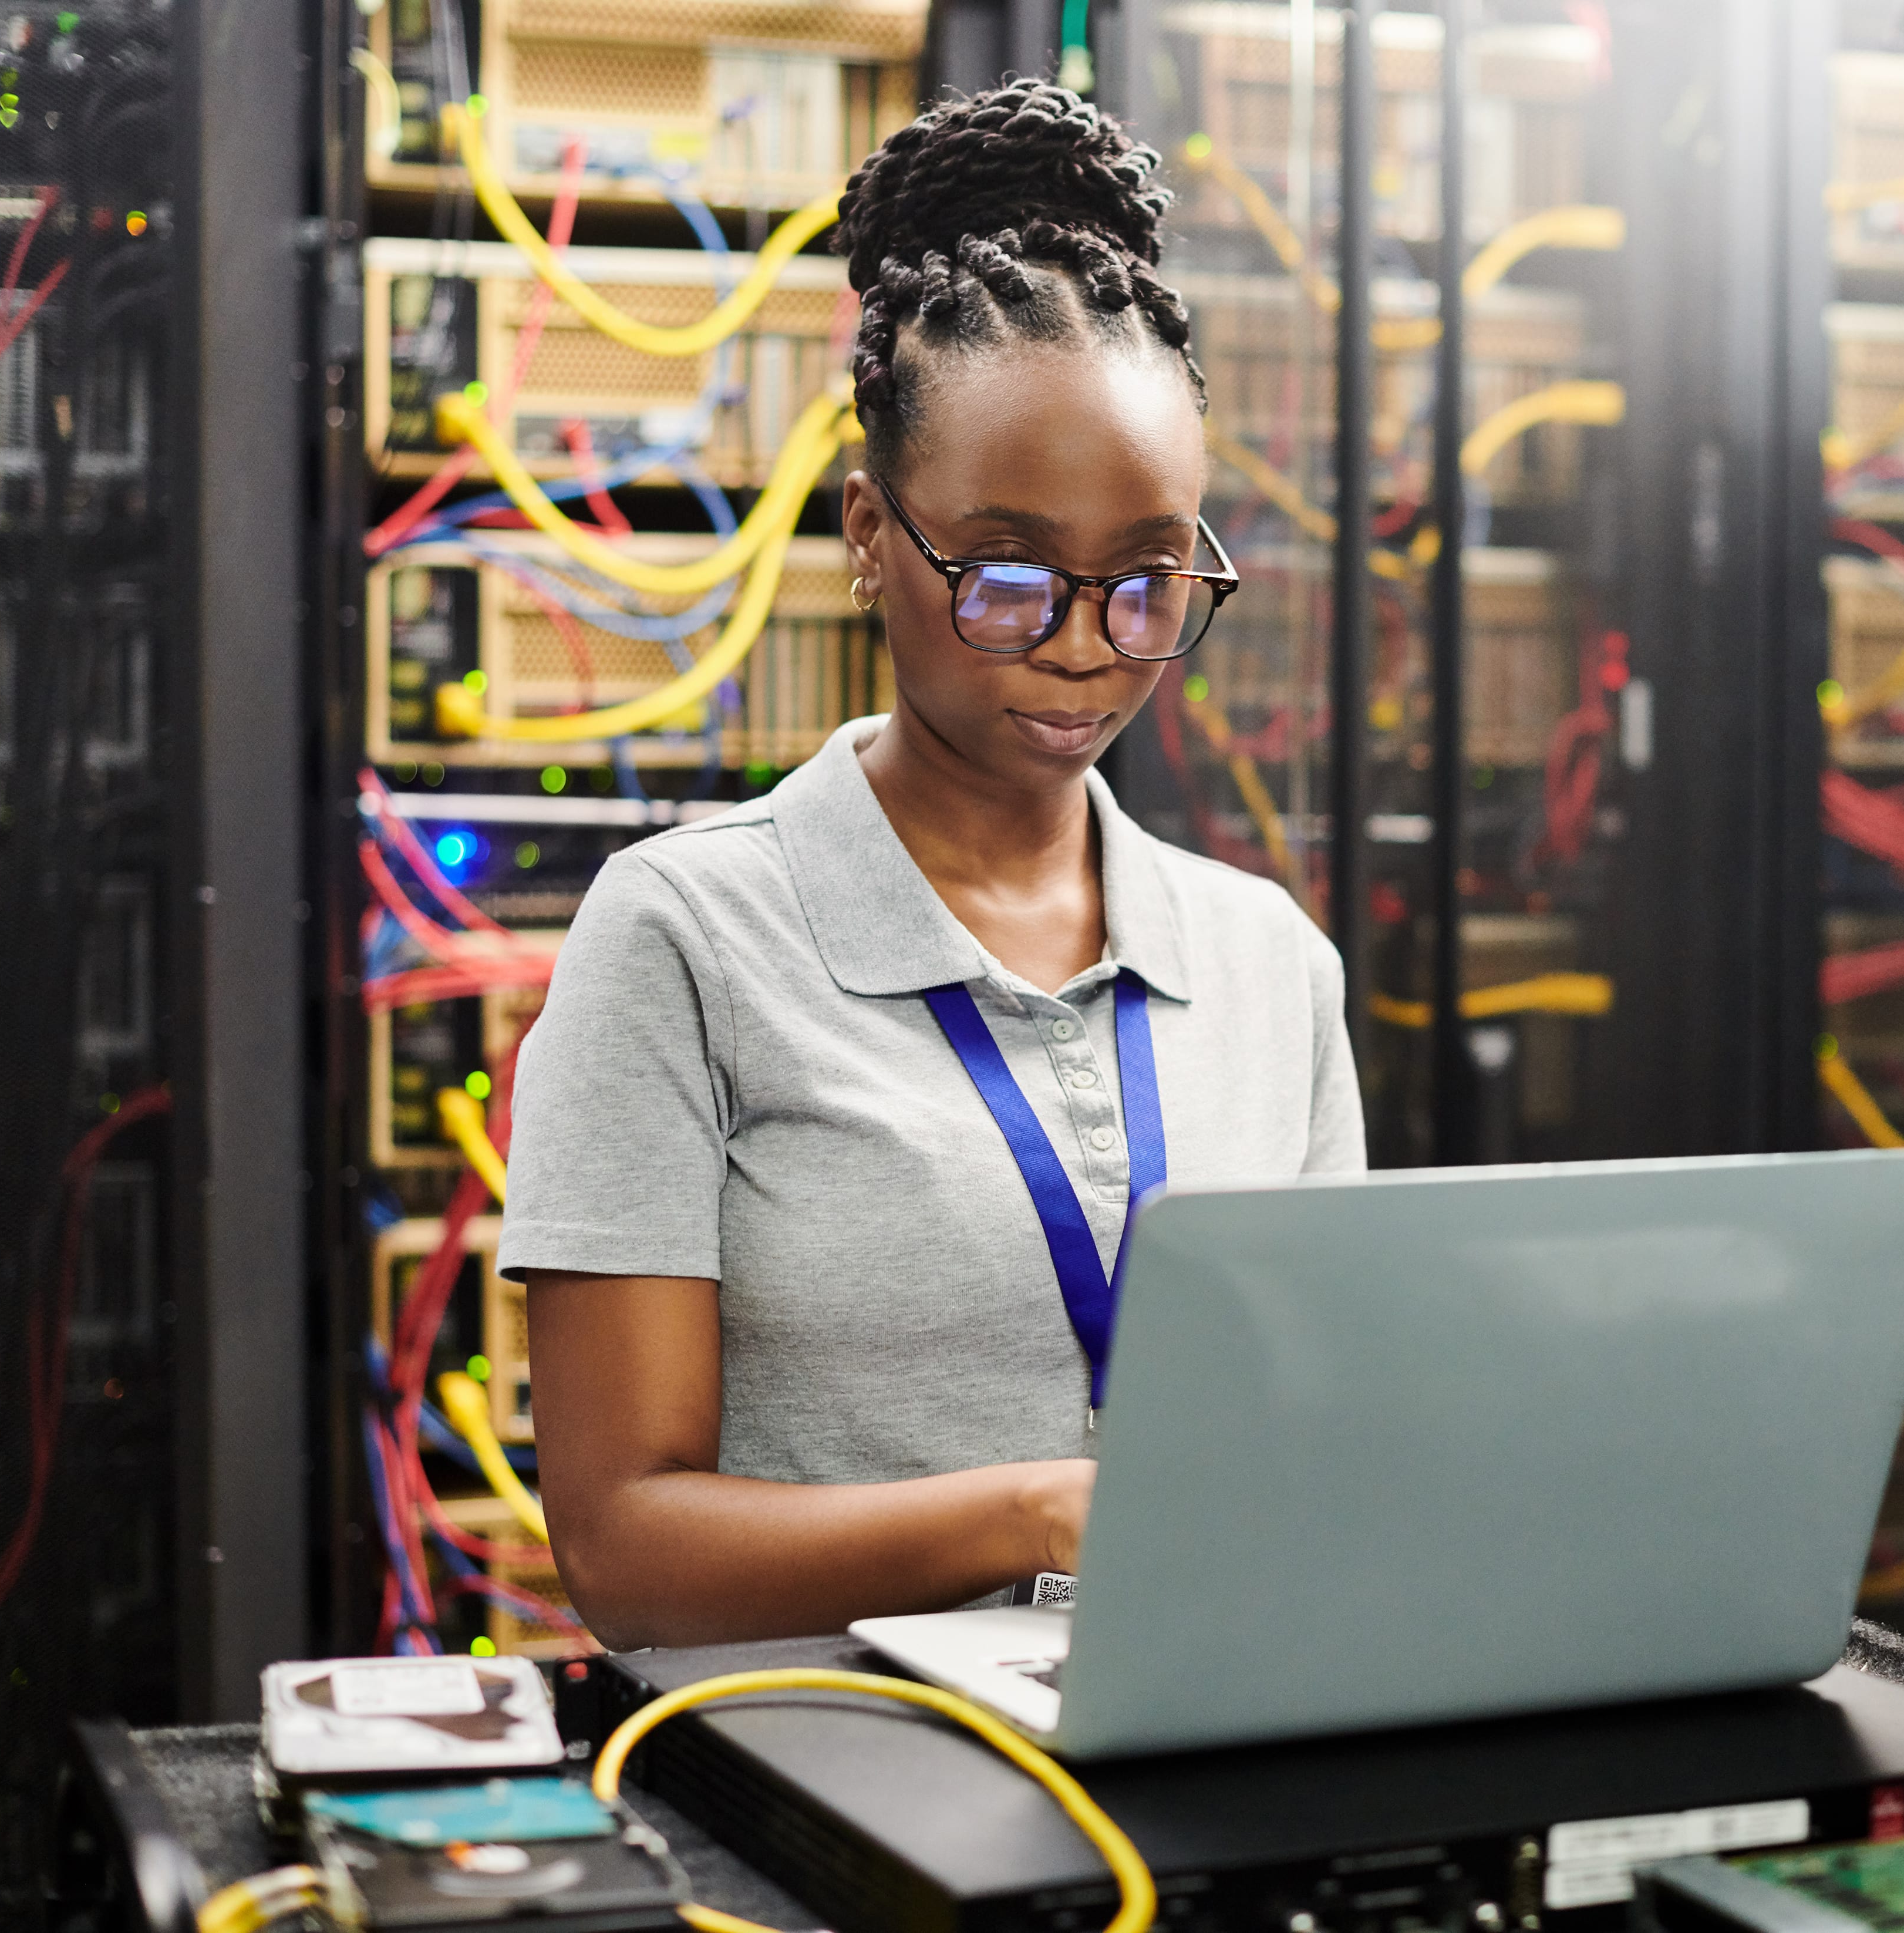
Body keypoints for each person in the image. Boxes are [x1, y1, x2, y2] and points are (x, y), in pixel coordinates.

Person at [499, 80, 1366, 1651]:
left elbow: (1319, 1442)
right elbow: (623, 1552)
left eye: (1149, 582)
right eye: (1009, 577)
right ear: (867, 531)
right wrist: (1034, 1518)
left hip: (1202, 1715)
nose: (1084, 648)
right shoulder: (687, 938)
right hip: (835, 1749)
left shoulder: (1271, 967)